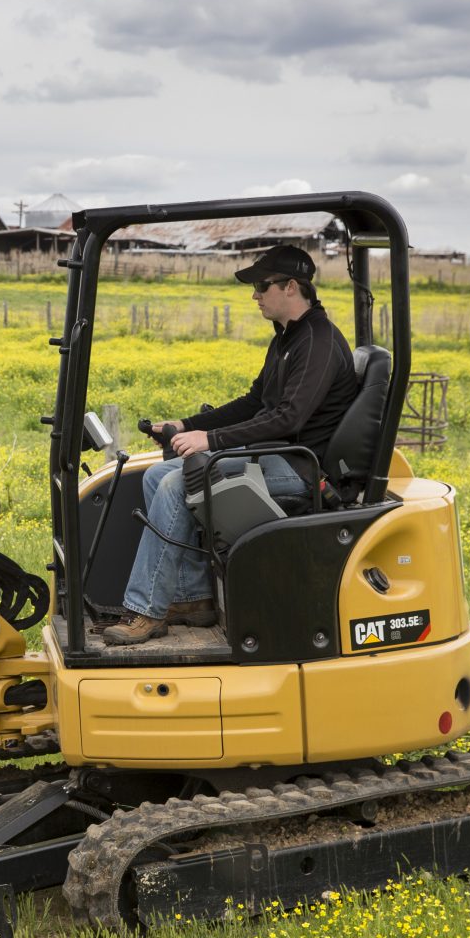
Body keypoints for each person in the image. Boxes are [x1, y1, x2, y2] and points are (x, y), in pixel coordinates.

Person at [102, 244, 360, 645]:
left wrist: (211, 440)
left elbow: (289, 418)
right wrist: (187, 424)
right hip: (275, 456)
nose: (255, 295)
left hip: (301, 470)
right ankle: (192, 598)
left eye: (262, 285)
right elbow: (255, 403)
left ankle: (146, 610)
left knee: (177, 484)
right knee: (157, 475)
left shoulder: (318, 341)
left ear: (292, 287)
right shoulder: (288, 339)